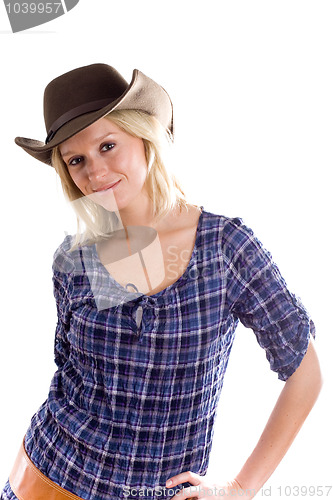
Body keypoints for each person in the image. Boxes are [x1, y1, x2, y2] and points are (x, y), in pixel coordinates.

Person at [1, 63, 322, 500]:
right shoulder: (75, 260)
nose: (95, 173)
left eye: (108, 145)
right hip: (44, 477)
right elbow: (72, 373)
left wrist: (240, 489)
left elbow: (306, 372)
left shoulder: (224, 247)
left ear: (145, 135)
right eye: (77, 160)